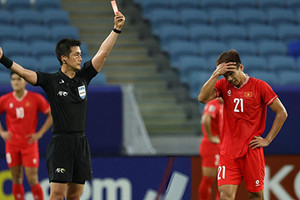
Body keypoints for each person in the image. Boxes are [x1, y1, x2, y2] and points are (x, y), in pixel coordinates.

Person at [0, 10, 125, 200]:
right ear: (64, 58)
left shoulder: (84, 77)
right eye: (76, 55)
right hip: (61, 144)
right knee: (57, 195)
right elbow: (25, 72)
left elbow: (103, 52)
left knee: (75, 195)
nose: (80, 58)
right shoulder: (51, 81)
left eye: (81, 54)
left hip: (81, 143)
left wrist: (116, 30)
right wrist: (3, 59)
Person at [198, 49, 288, 200]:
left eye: (231, 73)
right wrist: (215, 75)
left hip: (251, 151)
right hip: (228, 152)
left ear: (241, 67)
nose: (229, 78)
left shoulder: (260, 87)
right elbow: (202, 98)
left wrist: (267, 140)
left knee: (256, 195)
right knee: (226, 196)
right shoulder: (222, 85)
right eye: (225, 75)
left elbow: (282, 113)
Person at [0, 72, 52, 200]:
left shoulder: (35, 98)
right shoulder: (5, 99)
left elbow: (51, 115)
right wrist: (2, 132)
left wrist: (39, 134)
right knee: (16, 178)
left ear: (25, 82)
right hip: (12, 144)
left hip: (29, 144)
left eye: (19, 79)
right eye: (13, 79)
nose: (16, 82)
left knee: (32, 179)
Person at [199, 97, 223, 200]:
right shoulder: (214, 104)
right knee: (208, 179)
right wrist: (210, 136)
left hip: (221, 145)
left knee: (222, 179)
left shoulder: (225, 105)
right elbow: (206, 118)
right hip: (211, 146)